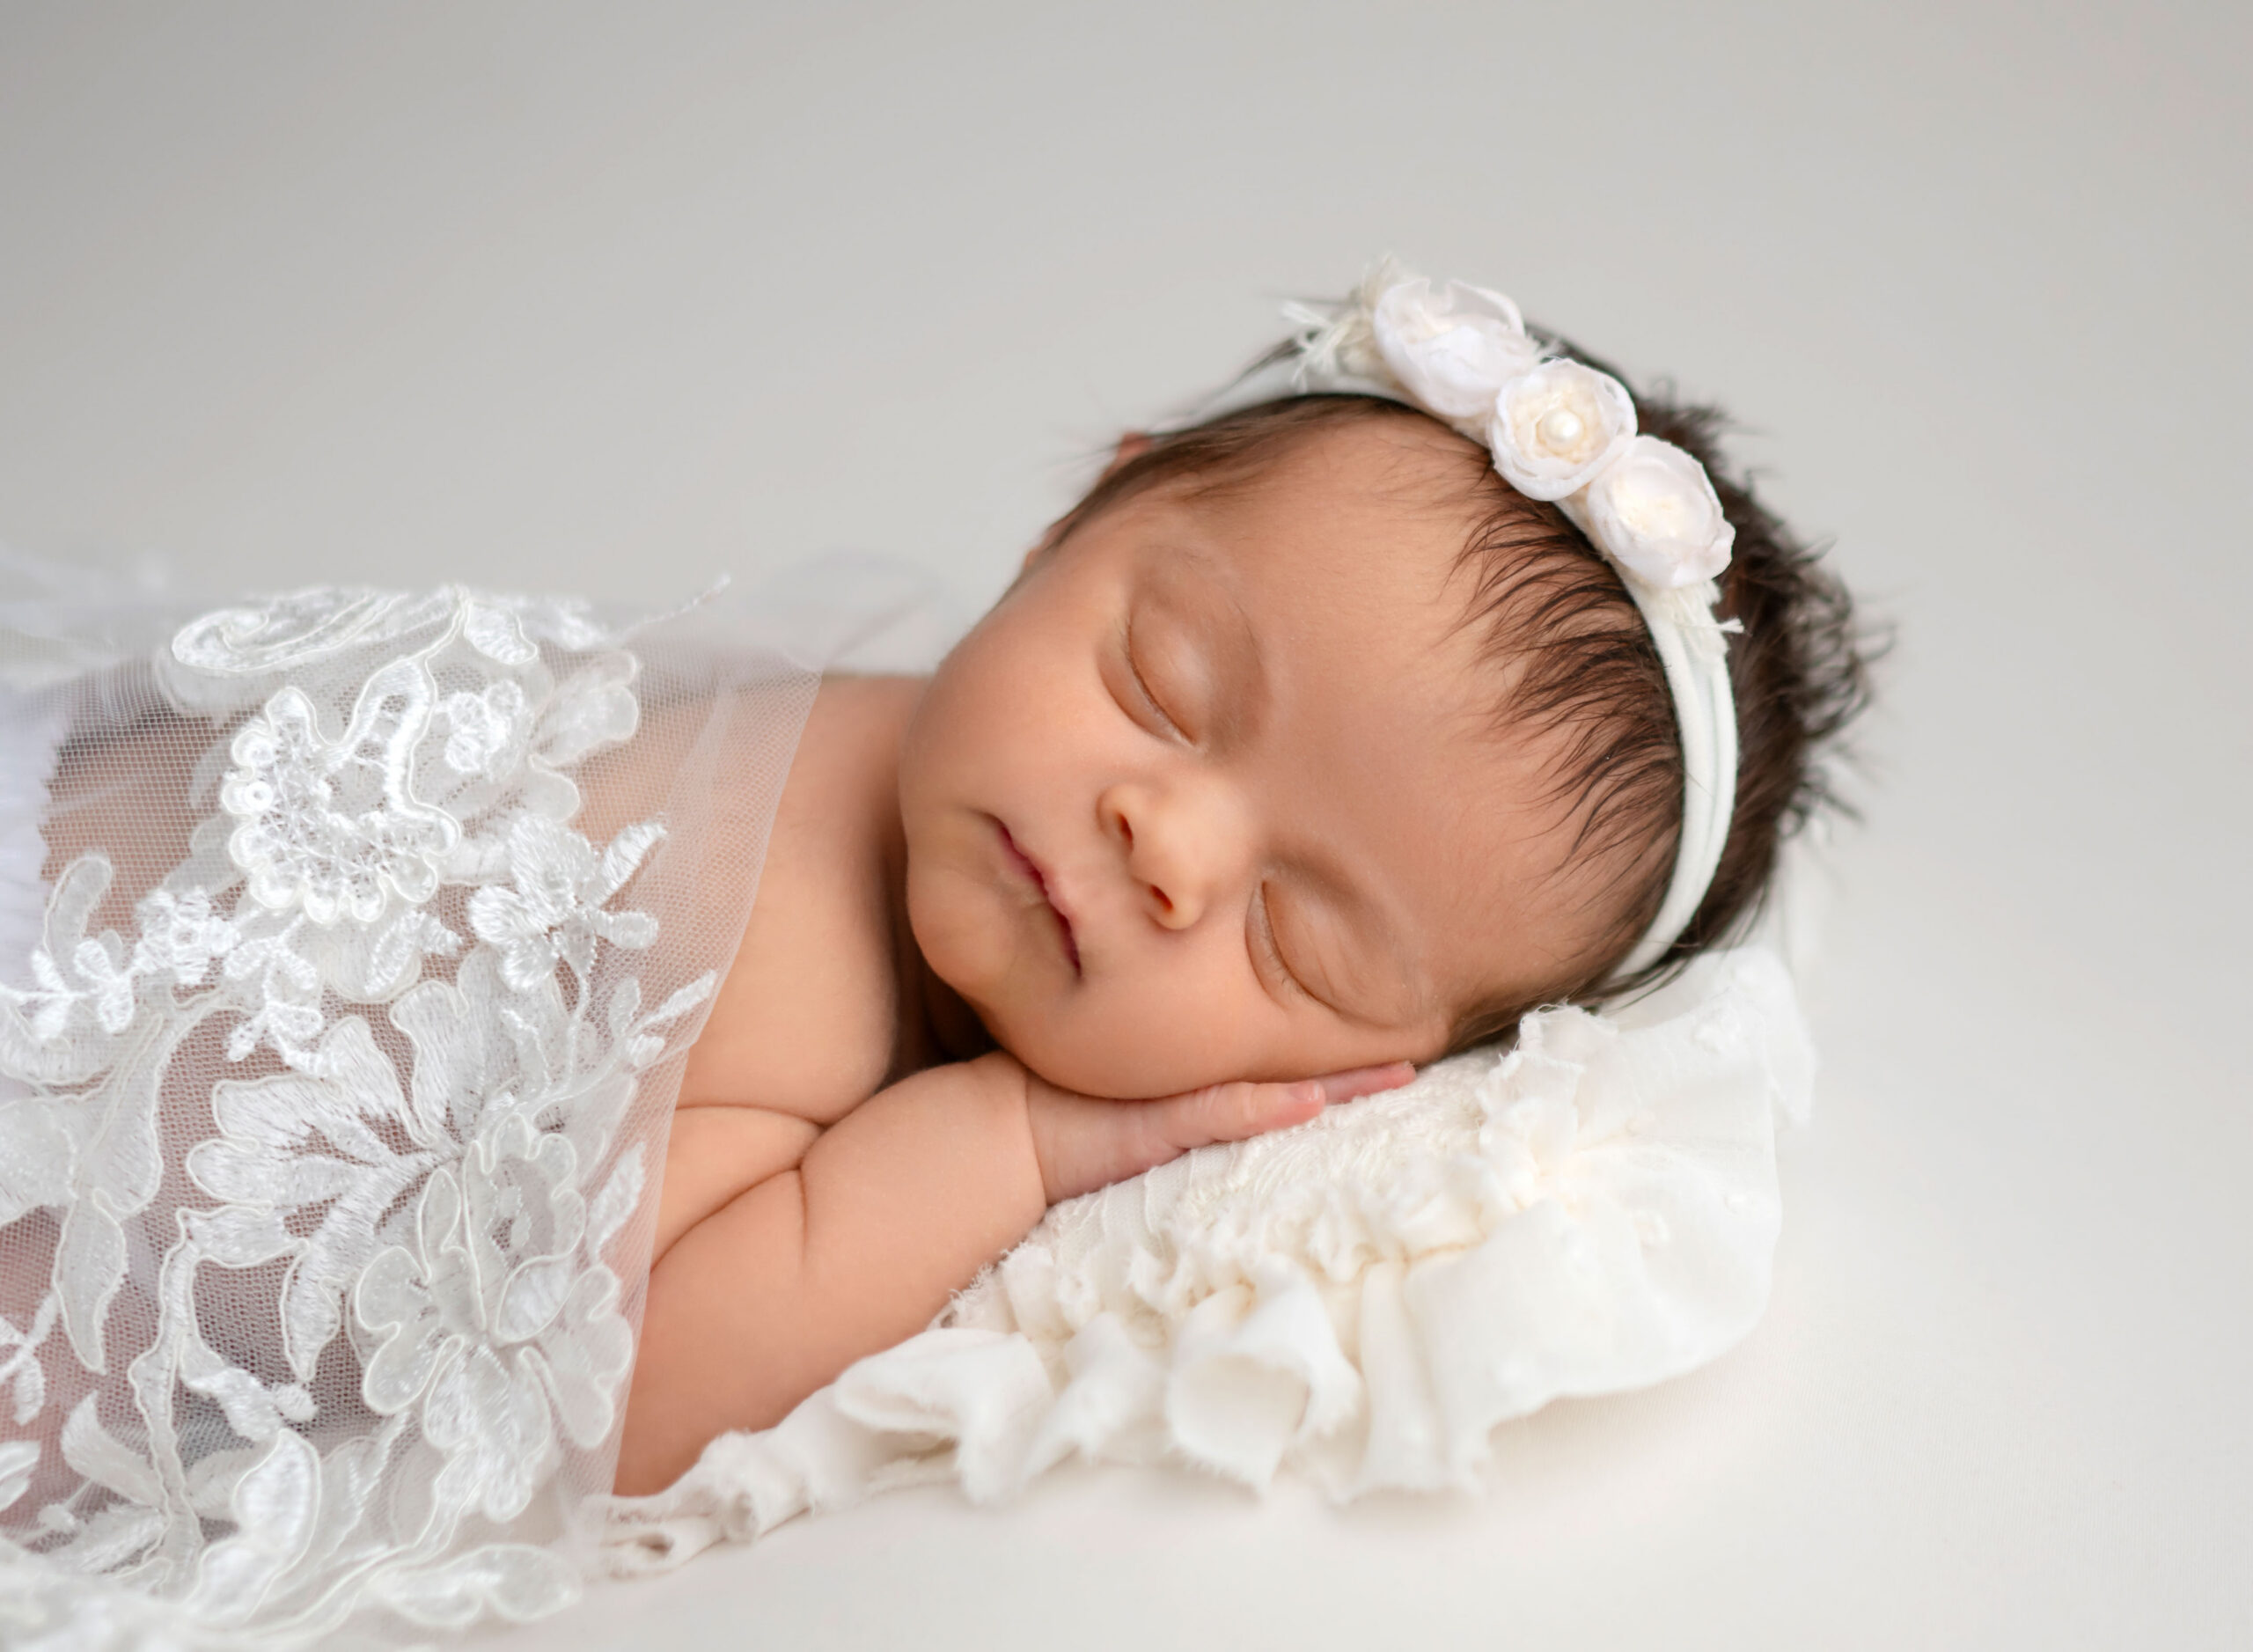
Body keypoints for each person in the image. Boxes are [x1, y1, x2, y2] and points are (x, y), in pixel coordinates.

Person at [0, 262, 1868, 1641]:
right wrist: (1015, 1146)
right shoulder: (793, 947)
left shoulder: (914, 731)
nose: (1163, 842)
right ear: (1087, 506)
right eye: (1163, 681)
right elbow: (612, 1402)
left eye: (1292, 936)